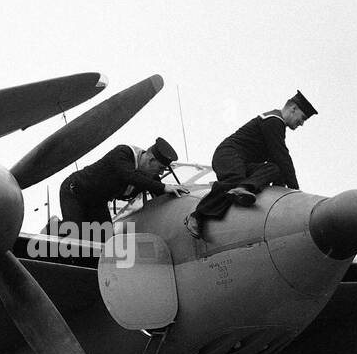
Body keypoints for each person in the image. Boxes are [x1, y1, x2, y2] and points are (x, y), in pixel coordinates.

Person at [185, 89, 317, 239]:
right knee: (234, 180)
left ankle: (243, 188)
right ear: (293, 109)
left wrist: (280, 192)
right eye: (303, 118)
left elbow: (278, 163)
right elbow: (282, 156)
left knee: (274, 168)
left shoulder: (276, 123)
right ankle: (197, 215)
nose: (301, 124)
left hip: (243, 162)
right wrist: (295, 190)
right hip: (228, 154)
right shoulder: (273, 120)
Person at [57, 137, 183, 241]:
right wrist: (164, 187)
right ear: (151, 160)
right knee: (75, 233)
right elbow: (129, 176)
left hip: (97, 202)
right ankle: (54, 227)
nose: (160, 174)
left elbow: (159, 193)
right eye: (160, 168)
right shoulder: (123, 153)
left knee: (106, 240)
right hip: (75, 192)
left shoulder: (150, 176)